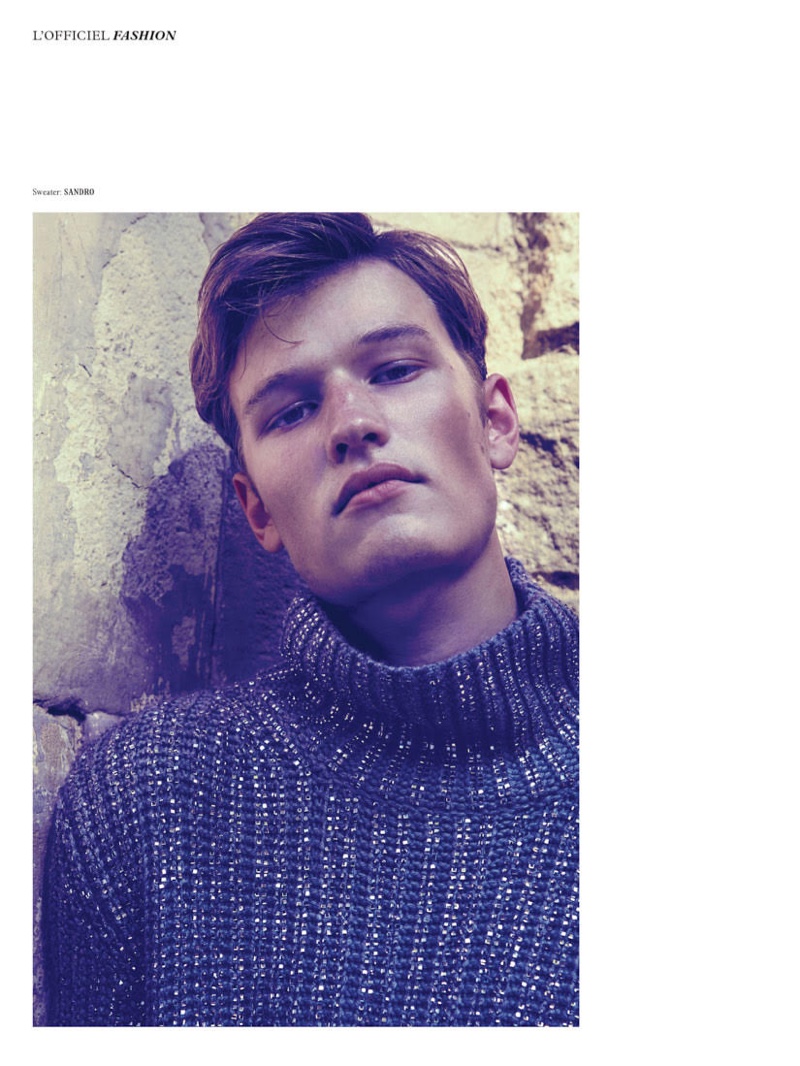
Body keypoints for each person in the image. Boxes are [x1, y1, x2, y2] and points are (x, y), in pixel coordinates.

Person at [43, 213, 579, 1026]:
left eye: (395, 370)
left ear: (496, 421)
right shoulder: (147, 803)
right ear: (256, 509)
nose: (352, 424)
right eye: (291, 411)